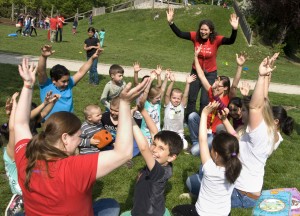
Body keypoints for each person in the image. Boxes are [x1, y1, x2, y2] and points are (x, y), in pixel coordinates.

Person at [14, 58, 150, 215]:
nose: (80, 140)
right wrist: (125, 105)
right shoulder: (75, 168)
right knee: (111, 205)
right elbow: (124, 153)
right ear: (65, 138)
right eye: (78, 136)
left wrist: (28, 85)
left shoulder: (25, 159)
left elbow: (20, 124)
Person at [186, 54, 279, 208]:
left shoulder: (258, 132)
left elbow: (256, 107)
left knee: (193, 181)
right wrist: (267, 76)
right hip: (249, 193)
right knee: (203, 169)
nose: (241, 112)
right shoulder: (266, 131)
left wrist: (261, 76)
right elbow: (238, 134)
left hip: (240, 194)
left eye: (244, 110)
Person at [166, 7, 239, 121]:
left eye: (206, 30)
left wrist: (235, 29)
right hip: (196, 72)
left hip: (210, 74)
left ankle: (203, 121)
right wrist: (171, 23)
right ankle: (188, 120)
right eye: (201, 29)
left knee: (205, 100)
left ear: (210, 31)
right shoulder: (195, 36)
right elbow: (180, 33)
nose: (203, 32)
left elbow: (231, 41)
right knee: (191, 98)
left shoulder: (216, 40)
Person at [172, 102, 242, 216]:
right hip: (224, 214)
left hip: (202, 214)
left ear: (216, 154)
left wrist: (204, 114)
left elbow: (202, 140)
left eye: (212, 148)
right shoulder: (237, 167)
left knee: (176, 209)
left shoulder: (210, 169)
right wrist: (224, 119)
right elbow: (236, 139)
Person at [121, 103, 183, 216]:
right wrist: (143, 111)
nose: (154, 150)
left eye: (161, 148)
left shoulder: (160, 171)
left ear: (171, 157)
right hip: (154, 208)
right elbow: (154, 131)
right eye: (154, 144)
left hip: (147, 213)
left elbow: (144, 148)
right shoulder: (163, 162)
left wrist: (130, 119)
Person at [4, 91, 59, 215]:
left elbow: (43, 113)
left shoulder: (33, 123)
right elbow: (14, 126)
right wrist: (14, 108)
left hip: (30, 156)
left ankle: (31, 196)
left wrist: (52, 102)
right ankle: (20, 197)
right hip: (19, 158)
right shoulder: (16, 135)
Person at [37, 44, 103, 119]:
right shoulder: (46, 84)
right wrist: (43, 56)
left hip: (69, 123)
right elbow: (41, 72)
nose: (67, 83)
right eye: (63, 81)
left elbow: (81, 72)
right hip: (51, 125)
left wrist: (92, 58)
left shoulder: (69, 84)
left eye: (68, 80)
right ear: (54, 80)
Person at [162, 72, 196, 149]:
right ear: (170, 98)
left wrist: (188, 83)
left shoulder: (181, 106)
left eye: (178, 98)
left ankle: (178, 141)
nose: (176, 100)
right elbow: (167, 94)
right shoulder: (168, 105)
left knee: (184, 146)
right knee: (166, 145)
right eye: (174, 98)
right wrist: (172, 82)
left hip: (178, 133)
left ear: (181, 99)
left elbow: (186, 95)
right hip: (167, 132)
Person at [139, 69, 168, 145]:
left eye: (159, 97)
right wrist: (150, 80)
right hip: (145, 132)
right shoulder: (145, 104)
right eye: (157, 98)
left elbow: (163, 89)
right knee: (147, 148)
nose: (159, 99)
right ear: (150, 97)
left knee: (157, 148)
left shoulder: (158, 104)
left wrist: (166, 78)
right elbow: (145, 93)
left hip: (156, 131)